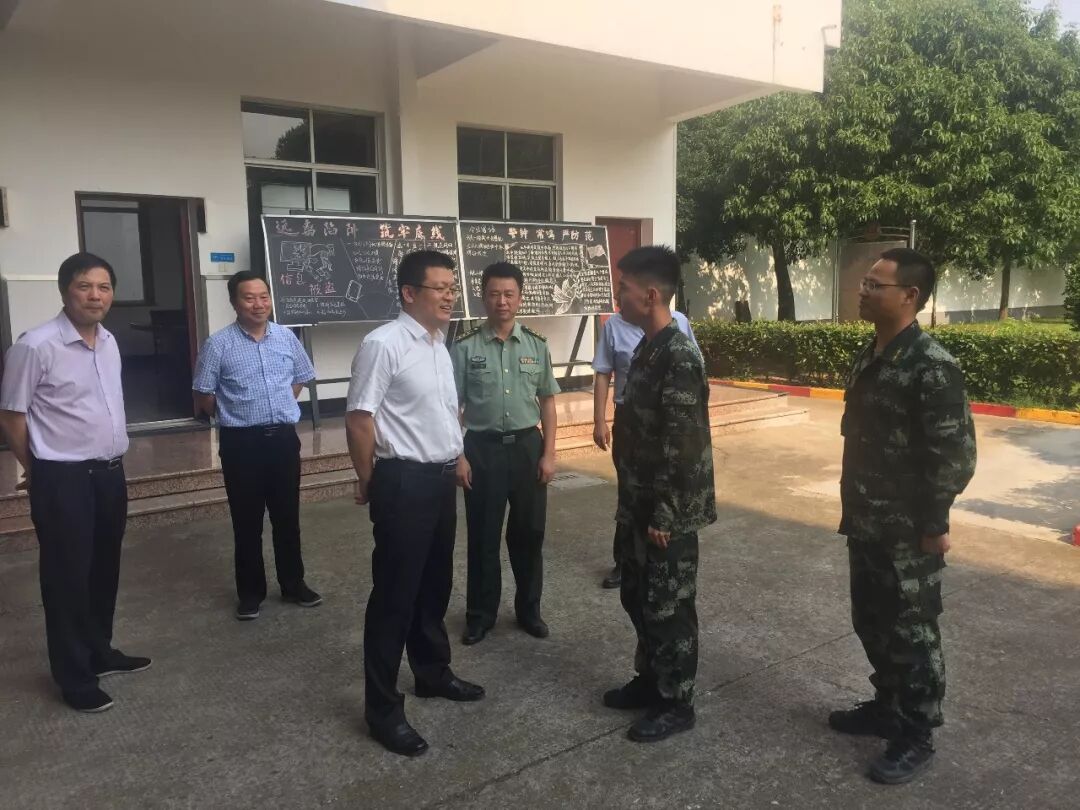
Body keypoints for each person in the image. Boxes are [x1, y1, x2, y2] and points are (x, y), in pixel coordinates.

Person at [829, 248, 976, 784]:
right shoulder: (871, 354)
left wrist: (934, 524)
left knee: (912, 633)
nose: (863, 291)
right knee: (871, 620)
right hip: (867, 520)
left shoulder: (932, 366)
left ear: (909, 296)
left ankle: (916, 733)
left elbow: (954, 456)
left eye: (876, 285)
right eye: (865, 282)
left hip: (909, 532)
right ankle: (887, 705)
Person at [346, 249, 485, 758]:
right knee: (395, 596)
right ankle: (383, 710)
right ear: (409, 293)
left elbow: (444, 412)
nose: (450, 296)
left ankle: (431, 672)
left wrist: (459, 455)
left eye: (452, 287)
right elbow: (360, 418)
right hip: (402, 481)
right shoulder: (383, 344)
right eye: (440, 288)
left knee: (434, 585)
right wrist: (370, 480)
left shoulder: (438, 343)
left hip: (441, 478)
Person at [0, 252, 150, 713]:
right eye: (85, 286)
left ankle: (99, 652)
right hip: (63, 478)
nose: (95, 296)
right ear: (65, 291)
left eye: (104, 287)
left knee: (104, 569)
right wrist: (36, 468)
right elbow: (12, 415)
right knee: (66, 578)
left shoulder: (109, 341)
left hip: (110, 473)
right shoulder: (36, 345)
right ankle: (74, 676)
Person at [601, 246, 716, 743]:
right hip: (638, 501)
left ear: (649, 295)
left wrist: (665, 515)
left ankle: (676, 701)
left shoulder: (679, 355)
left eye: (623, 288)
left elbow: (683, 446)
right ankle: (650, 679)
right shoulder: (647, 348)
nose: (617, 297)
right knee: (638, 596)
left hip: (667, 510)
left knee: (669, 606)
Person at [192, 270, 321, 621]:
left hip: (282, 440)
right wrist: (235, 414)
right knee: (246, 522)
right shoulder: (218, 344)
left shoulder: (286, 337)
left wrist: (278, 406)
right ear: (234, 302)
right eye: (249, 298)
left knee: (287, 517)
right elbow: (203, 394)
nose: (258, 304)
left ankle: (294, 584)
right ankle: (250, 594)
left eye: (264, 296)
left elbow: (299, 378)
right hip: (241, 444)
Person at [452, 261, 560, 645]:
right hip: (481, 450)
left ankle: (530, 610)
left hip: (528, 448)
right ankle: (481, 616)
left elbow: (548, 402)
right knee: (483, 536)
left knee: (529, 534)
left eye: (509, 294)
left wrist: (549, 454)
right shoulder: (465, 347)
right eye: (495, 294)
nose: (502, 301)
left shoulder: (536, 344)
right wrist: (459, 455)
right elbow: (451, 406)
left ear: (520, 297)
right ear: (483, 297)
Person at [593, 308, 700, 589]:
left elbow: (696, 368)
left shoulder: (678, 322)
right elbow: (603, 372)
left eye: (625, 290)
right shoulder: (614, 326)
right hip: (629, 420)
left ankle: (661, 559)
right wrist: (599, 420)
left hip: (664, 419)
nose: (620, 298)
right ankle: (624, 561)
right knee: (629, 492)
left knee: (665, 488)